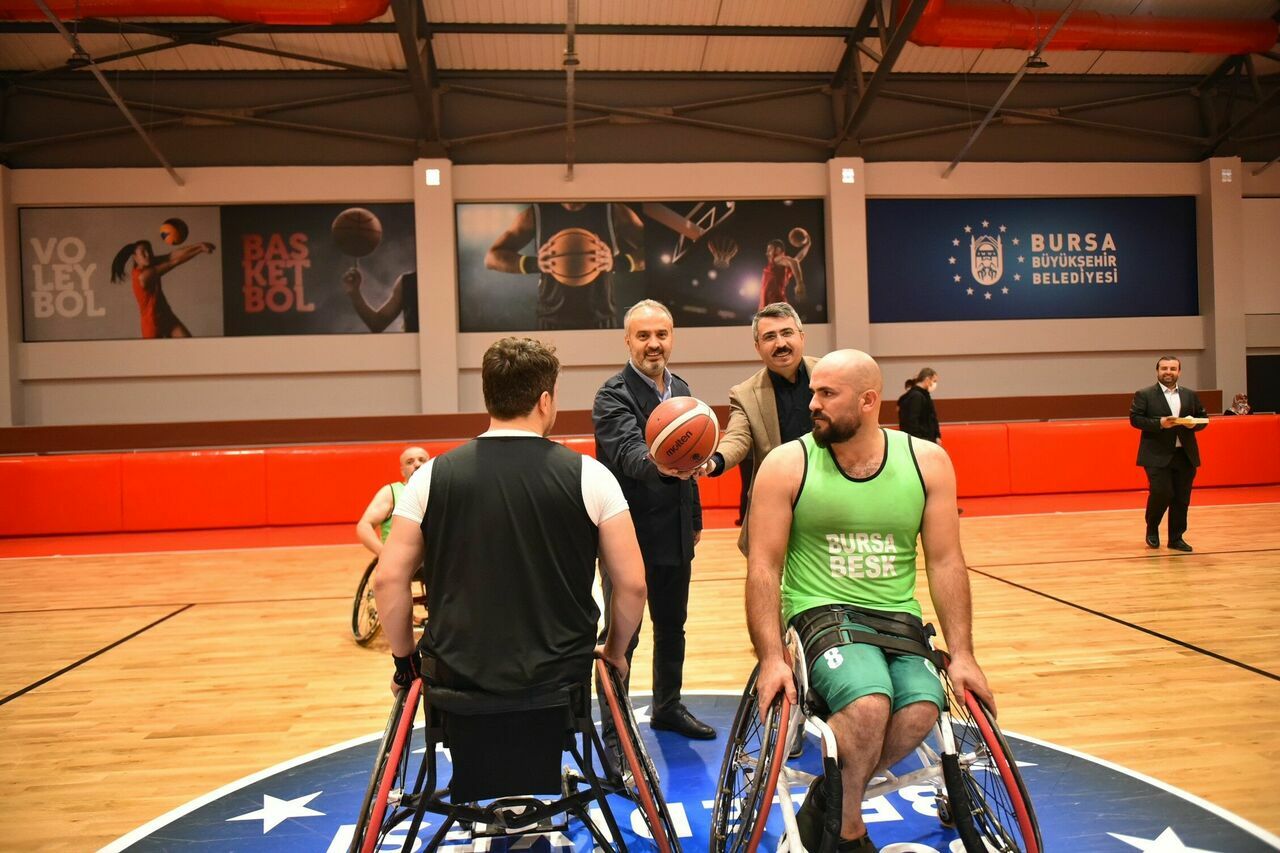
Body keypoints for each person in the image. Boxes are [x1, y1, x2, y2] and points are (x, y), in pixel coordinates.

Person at [746, 349, 994, 853]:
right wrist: (771, 657)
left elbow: (946, 561)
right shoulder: (787, 463)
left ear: (867, 400)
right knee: (868, 704)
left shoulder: (926, 462)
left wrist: (964, 654)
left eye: (826, 394)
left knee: (921, 708)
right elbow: (763, 567)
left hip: (896, 616)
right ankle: (850, 830)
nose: (812, 403)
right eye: (813, 392)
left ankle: (832, 799)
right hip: (819, 610)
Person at [373, 337, 647, 696]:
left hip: (457, 682)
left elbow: (387, 580)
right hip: (560, 682)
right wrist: (615, 652)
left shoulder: (428, 477)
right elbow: (632, 585)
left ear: (489, 397)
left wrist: (405, 664)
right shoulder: (593, 476)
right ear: (545, 401)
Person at [593, 299, 714, 739]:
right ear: (628, 340)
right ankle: (615, 729)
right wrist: (665, 464)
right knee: (622, 636)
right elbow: (628, 454)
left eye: (661, 334)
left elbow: (693, 463)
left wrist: (694, 517)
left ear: (672, 337)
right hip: (628, 534)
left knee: (672, 628)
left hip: (674, 531)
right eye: (643, 335)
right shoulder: (612, 395)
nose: (653, 344)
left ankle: (667, 706)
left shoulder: (681, 389)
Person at [705, 302, 819, 555]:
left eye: (787, 333)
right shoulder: (744, 393)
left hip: (832, 501)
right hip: (778, 507)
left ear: (802, 337)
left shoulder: (831, 374)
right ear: (758, 347)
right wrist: (713, 462)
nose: (780, 343)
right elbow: (737, 437)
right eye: (769, 337)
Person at [485, 202, 646, 330]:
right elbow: (492, 258)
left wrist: (617, 263)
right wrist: (535, 264)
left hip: (601, 319)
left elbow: (651, 251)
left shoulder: (612, 210)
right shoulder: (536, 213)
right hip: (551, 319)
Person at [1129, 356, 1209, 553]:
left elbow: (1203, 418)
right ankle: (1152, 527)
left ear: (1179, 372)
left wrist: (1193, 424)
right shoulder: (1145, 394)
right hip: (1156, 454)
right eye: (1164, 368)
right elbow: (1135, 419)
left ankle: (1176, 538)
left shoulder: (1190, 395)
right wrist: (1160, 423)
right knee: (1161, 492)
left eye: (1173, 368)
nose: (1168, 372)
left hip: (1185, 454)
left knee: (1182, 498)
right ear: (1157, 371)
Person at [109, 239, 216, 339]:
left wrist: (199, 245)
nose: (148, 255)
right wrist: (199, 250)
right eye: (143, 253)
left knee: (188, 345)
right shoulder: (143, 276)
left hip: (167, 317)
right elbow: (174, 262)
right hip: (152, 324)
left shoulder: (150, 263)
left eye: (149, 251)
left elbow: (171, 255)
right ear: (135, 258)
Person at [355, 445, 429, 557]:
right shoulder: (390, 492)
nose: (417, 464)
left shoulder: (442, 490)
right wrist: (385, 555)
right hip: (400, 561)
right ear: (402, 471)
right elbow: (364, 526)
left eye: (422, 460)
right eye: (409, 462)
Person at [341, 269, 420, 333]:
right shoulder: (408, 281)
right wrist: (355, 293)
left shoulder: (408, 281)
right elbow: (377, 323)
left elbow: (377, 324)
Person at [758, 235, 810, 309]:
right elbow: (798, 259)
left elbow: (794, 262)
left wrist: (799, 283)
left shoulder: (776, 260)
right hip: (777, 306)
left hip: (773, 307)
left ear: (778, 250)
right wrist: (808, 245)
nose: (767, 253)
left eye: (769, 250)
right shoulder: (784, 268)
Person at [897, 368, 941, 444]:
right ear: (927, 380)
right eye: (934, 381)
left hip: (927, 439)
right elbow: (912, 422)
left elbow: (932, 417)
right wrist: (920, 441)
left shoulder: (924, 395)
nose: (935, 384)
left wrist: (936, 435)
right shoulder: (916, 396)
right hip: (921, 441)